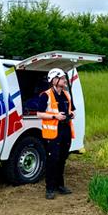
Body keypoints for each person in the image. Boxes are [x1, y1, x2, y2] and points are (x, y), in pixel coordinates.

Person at [36, 68, 76, 199]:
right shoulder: (45, 95)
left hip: (65, 131)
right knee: (52, 160)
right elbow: (39, 114)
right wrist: (55, 116)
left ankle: (60, 185)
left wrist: (71, 114)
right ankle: (50, 189)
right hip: (53, 133)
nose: (65, 81)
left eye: (64, 78)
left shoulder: (66, 95)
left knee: (62, 159)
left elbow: (72, 110)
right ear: (54, 80)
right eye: (62, 78)